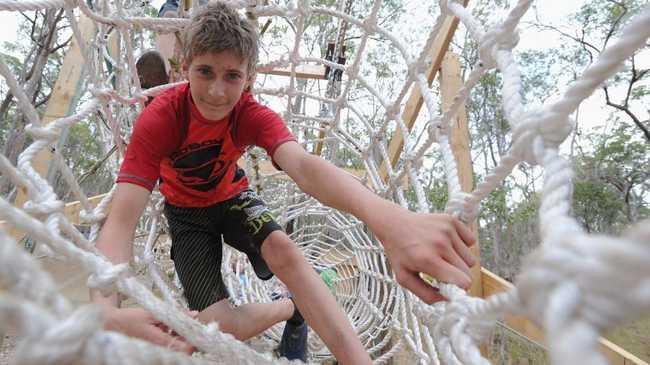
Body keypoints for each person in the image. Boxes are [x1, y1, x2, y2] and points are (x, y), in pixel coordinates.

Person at [92, 2, 477, 364]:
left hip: (232, 197)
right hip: (186, 215)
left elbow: (304, 166)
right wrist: (104, 311)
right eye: (205, 71)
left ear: (249, 79)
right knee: (212, 329)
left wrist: (389, 219)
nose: (217, 91)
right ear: (185, 66)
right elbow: (122, 220)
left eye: (232, 76)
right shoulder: (161, 117)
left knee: (283, 249)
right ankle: (290, 309)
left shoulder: (249, 113)